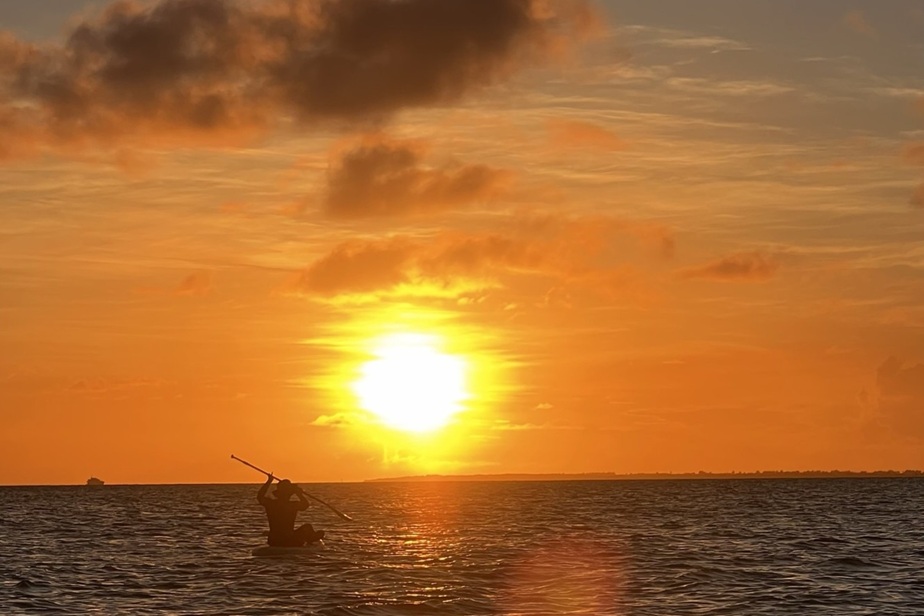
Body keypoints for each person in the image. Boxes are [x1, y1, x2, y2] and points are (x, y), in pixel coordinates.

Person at [257, 475, 325, 546]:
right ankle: (310, 541)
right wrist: (299, 494)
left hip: (273, 540)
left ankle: (309, 541)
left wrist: (269, 481)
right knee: (308, 527)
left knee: (308, 528)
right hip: (288, 540)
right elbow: (305, 505)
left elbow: (260, 497)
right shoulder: (292, 505)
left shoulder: (271, 504)